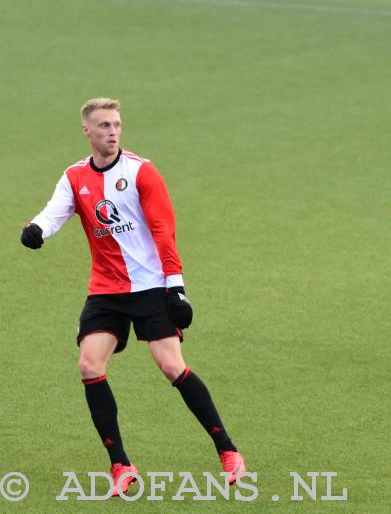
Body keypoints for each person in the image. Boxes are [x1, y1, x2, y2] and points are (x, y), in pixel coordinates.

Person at [20, 98, 246, 496]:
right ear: (87, 131)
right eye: (104, 125)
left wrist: (176, 289)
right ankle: (121, 465)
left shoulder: (141, 172)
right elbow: (56, 211)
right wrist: (37, 229)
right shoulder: (75, 176)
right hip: (106, 289)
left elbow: (164, 230)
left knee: (171, 366)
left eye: (117, 124)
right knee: (89, 365)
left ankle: (228, 451)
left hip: (150, 287)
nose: (112, 131)